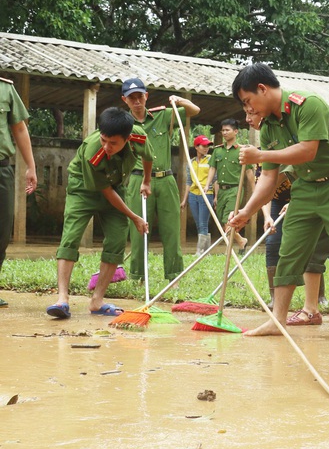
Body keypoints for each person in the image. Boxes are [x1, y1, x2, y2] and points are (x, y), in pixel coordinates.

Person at [228, 63, 329, 341]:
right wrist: (247, 210)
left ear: (263, 89)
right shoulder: (268, 128)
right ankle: (277, 321)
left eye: (248, 101)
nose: (249, 110)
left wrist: (260, 155)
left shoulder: (307, 104)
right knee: (289, 250)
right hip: (305, 186)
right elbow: (269, 178)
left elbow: (307, 150)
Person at [47, 108, 151, 319]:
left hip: (115, 186)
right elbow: (106, 192)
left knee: (117, 239)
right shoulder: (93, 151)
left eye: (113, 143)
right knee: (71, 237)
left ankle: (97, 301)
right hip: (82, 188)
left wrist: (146, 181)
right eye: (104, 140)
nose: (106, 146)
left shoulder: (138, 137)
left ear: (127, 138)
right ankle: (62, 299)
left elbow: (148, 156)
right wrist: (134, 216)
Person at [120, 78, 200, 282]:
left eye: (140, 96)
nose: (137, 101)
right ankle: (137, 277)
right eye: (132, 98)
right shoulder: (123, 124)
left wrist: (179, 99)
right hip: (138, 180)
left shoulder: (163, 115)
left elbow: (195, 110)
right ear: (125, 100)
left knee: (171, 229)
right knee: (138, 231)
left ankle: (174, 276)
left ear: (146, 96)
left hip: (166, 179)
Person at [0, 77, 37, 309]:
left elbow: (20, 128)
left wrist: (31, 166)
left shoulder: (5, 88)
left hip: (1, 168)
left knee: (2, 231)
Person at [209, 118, 253, 251]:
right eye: (223, 130)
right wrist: (207, 185)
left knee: (229, 220)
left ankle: (230, 250)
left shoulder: (242, 151)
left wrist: (255, 190)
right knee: (223, 221)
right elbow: (212, 169)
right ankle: (241, 241)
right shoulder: (217, 151)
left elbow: (249, 172)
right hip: (221, 190)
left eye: (227, 130)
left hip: (235, 190)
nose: (224, 133)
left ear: (235, 132)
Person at [185, 135, 216, 255]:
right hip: (193, 195)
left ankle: (200, 251)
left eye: (208, 146)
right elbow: (188, 181)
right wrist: (184, 200)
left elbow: (215, 179)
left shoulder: (210, 160)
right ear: (196, 147)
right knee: (198, 223)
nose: (206, 148)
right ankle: (205, 251)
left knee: (203, 223)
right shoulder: (191, 162)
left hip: (206, 194)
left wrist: (215, 196)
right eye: (203, 146)